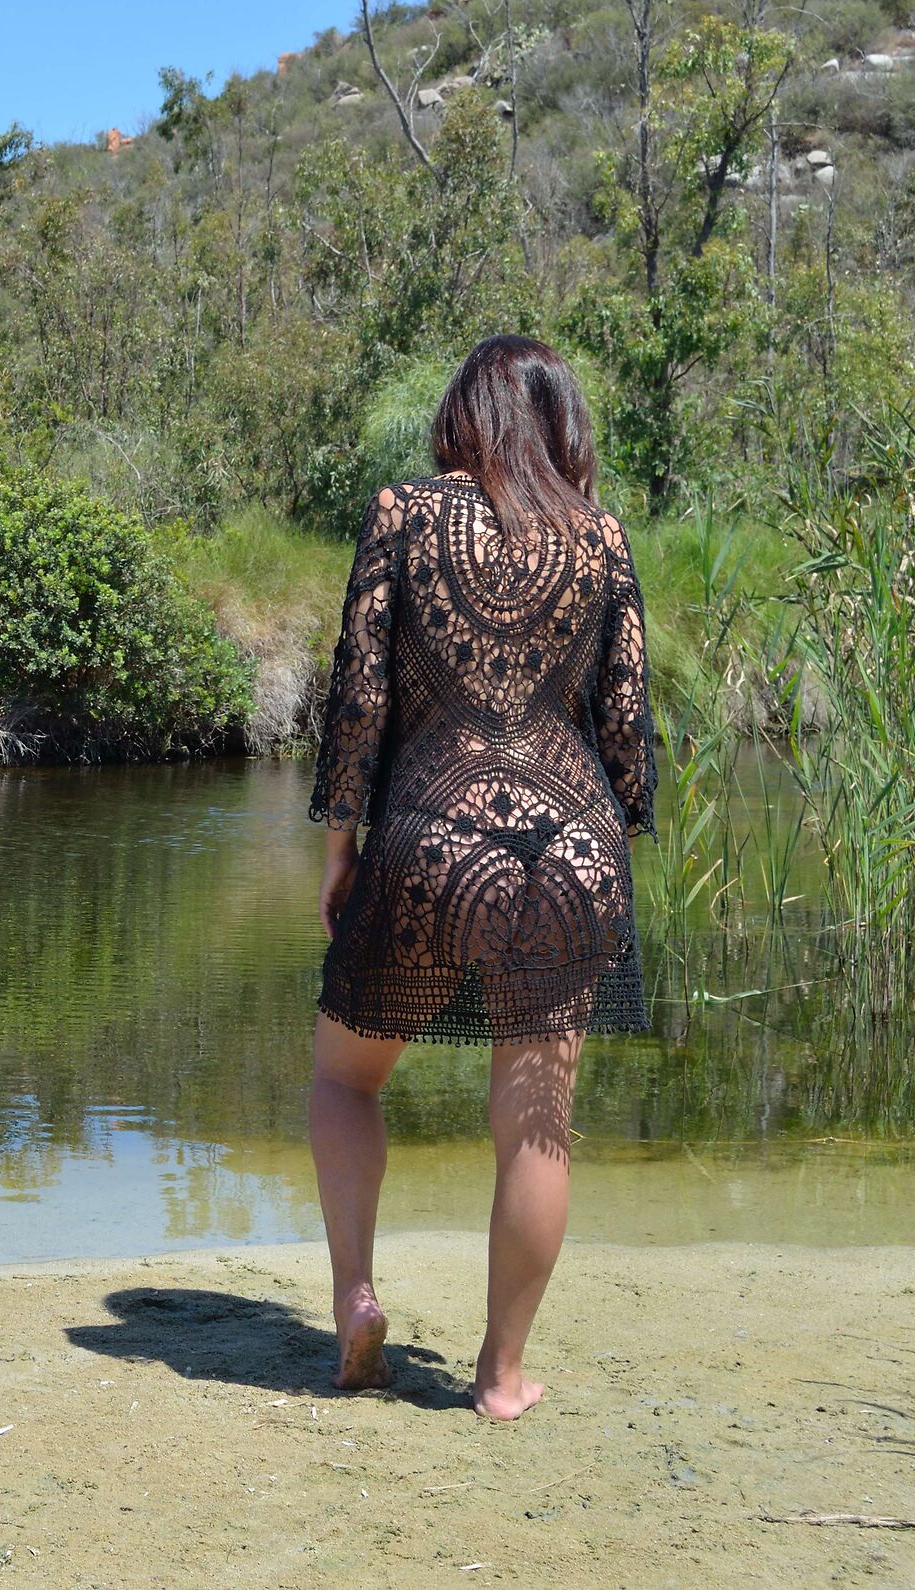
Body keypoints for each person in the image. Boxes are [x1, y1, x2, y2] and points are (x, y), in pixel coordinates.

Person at [305, 334, 656, 1421]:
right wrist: (616, 840)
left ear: (463, 411)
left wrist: (340, 845)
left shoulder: (403, 513)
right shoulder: (601, 537)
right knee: (536, 1121)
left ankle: (357, 1296)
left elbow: (357, 695)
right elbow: (629, 725)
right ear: (562, 423)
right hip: (570, 849)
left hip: (430, 834)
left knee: (344, 1078)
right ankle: (501, 1378)